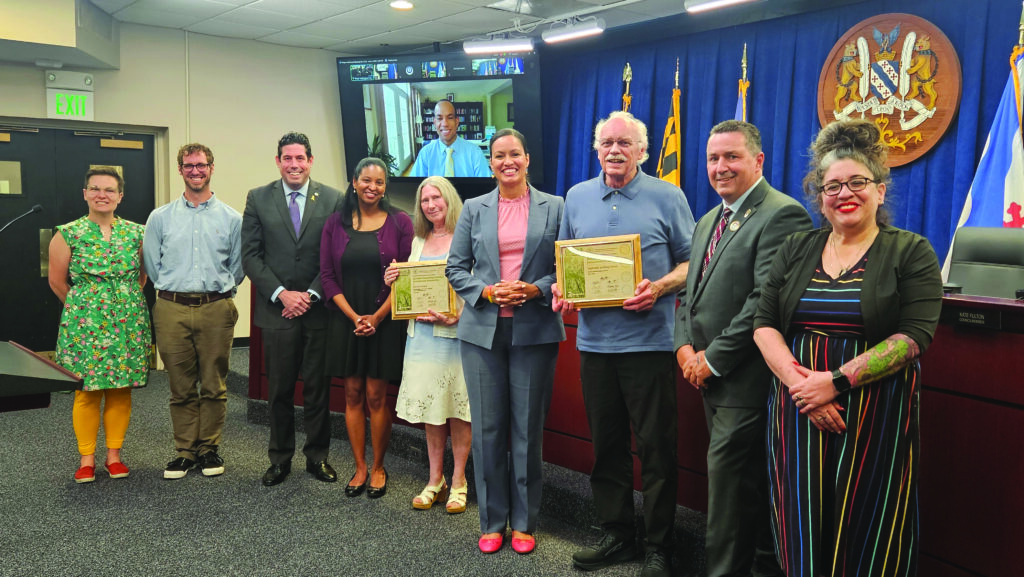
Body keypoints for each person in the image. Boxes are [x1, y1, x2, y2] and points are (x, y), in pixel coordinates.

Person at [752, 119, 942, 576]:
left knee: (869, 526)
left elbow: (913, 337)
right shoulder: (798, 247)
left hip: (874, 417)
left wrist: (834, 383)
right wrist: (805, 389)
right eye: (831, 185)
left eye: (857, 182)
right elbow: (763, 325)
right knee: (801, 523)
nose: (844, 193)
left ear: (880, 189)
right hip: (796, 415)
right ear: (820, 197)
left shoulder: (910, 251)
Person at [553, 111, 695, 577]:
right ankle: (618, 534)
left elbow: (693, 264)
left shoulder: (667, 195)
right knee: (607, 447)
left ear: (642, 151)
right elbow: (565, 264)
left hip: (650, 347)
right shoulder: (576, 197)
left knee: (656, 450)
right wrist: (561, 289)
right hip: (594, 347)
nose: (615, 150)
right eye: (607, 143)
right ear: (597, 150)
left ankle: (659, 546)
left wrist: (657, 288)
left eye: (625, 143)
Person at [674, 121, 812, 577]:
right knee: (742, 490)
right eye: (713, 158)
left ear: (758, 161)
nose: (720, 167)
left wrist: (711, 360)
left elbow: (763, 305)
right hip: (708, 378)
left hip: (745, 383)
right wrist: (685, 349)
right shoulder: (709, 218)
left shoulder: (782, 214)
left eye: (731, 157)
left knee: (730, 495)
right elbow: (688, 294)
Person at [446, 128, 565, 555]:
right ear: (490, 162)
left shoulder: (555, 206)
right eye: (499, 155)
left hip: (534, 331)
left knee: (526, 431)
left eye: (515, 153)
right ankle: (493, 519)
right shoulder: (474, 209)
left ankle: (525, 521)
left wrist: (534, 288)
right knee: (490, 429)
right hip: (482, 332)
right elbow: (456, 268)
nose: (507, 161)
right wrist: (489, 292)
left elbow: (565, 267)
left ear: (527, 159)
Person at [241, 132, 343, 487]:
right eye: (288, 158)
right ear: (278, 161)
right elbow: (251, 257)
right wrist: (283, 294)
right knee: (280, 390)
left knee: (317, 389)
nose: (294, 164)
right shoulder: (258, 198)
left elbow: (335, 254)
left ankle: (318, 457)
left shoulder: (332, 199)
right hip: (276, 312)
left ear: (311, 161)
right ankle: (280, 459)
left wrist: (310, 294)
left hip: (318, 312)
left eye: (301, 158)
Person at [144, 143, 244, 480]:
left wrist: (218, 290)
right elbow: (151, 264)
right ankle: (185, 452)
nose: (195, 171)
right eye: (189, 166)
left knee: (214, 384)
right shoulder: (160, 218)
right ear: (180, 170)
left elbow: (239, 266)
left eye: (201, 165)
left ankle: (208, 448)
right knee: (180, 385)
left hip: (216, 307)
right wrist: (174, 290)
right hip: (171, 308)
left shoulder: (231, 218)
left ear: (212, 168)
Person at [48, 166, 150, 483]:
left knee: (120, 388)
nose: (101, 195)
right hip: (84, 324)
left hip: (128, 321)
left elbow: (143, 277)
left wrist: (121, 302)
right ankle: (87, 459)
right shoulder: (67, 233)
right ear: (85, 194)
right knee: (87, 391)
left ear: (120, 197)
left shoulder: (138, 233)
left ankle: (114, 456)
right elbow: (56, 281)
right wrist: (86, 309)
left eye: (108, 190)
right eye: (95, 188)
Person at [321, 157, 413, 499]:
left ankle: (378, 467)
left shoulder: (401, 222)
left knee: (376, 396)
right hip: (346, 321)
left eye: (379, 182)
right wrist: (355, 317)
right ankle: (359, 467)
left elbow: (406, 278)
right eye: (366, 180)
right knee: (352, 394)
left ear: (385, 186)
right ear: (354, 182)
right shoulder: (335, 223)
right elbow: (327, 277)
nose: (372, 187)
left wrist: (375, 317)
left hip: (384, 322)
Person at [383, 176, 472, 513]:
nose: (431, 205)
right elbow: (412, 286)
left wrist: (458, 316)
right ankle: (436, 478)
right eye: (424, 200)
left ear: (449, 199)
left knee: (458, 411)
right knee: (432, 412)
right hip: (420, 338)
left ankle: (460, 479)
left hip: (454, 337)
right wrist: (394, 279)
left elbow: (477, 284)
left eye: (437, 198)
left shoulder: (466, 235)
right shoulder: (419, 239)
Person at [409, 100, 490, 178]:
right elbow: (415, 187)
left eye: (450, 118)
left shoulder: (475, 152)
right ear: (434, 123)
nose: (445, 124)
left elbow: (486, 187)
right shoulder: (425, 154)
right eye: (439, 118)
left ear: (457, 122)